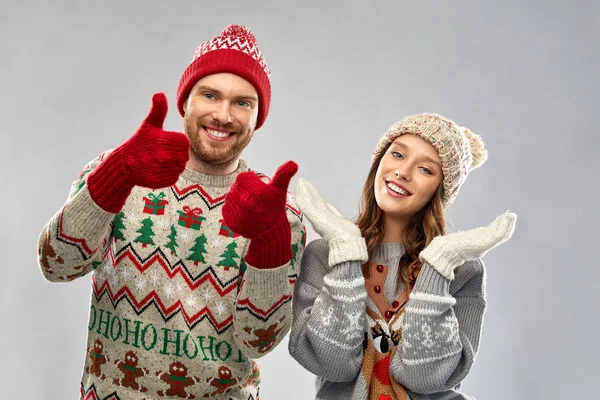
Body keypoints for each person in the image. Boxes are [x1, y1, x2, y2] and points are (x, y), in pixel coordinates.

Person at [37, 24, 305, 400]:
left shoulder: (277, 213)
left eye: (243, 102)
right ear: (186, 102)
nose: (224, 115)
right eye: (210, 95)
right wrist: (116, 176)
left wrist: (270, 240)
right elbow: (56, 265)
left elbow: (258, 341)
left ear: (258, 117)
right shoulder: (118, 170)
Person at [289, 113, 517, 399]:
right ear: (379, 160)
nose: (403, 172)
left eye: (425, 169)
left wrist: (439, 265)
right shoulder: (325, 255)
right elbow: (330, 364)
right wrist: (346, 251)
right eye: (397, 154)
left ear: (440, 189)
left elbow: (428, 378)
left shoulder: (463, 271)